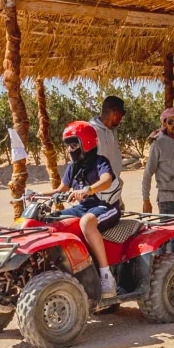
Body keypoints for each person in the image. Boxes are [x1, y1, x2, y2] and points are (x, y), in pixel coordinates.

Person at [58, 121, 121, 298]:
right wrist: (35, 194)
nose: (70, 149)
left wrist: (89, 189)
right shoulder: (73, 167)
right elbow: (60, 190)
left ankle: (106, 275)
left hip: (106, 207)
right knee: (55, 220)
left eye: (74, 144)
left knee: (86, 222)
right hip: (83, 208)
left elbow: (106, 180)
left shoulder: (100, 162)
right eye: (68, 145)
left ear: (86, 143)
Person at [142, 107, 174, 217]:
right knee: (170, 234)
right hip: (167, 201)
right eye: (170, 122)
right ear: (164, 124)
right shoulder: (158, 145)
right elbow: (148, 173)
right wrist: (146, 199)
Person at [90, 96, 126, 180]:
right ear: (116, 113)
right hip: (98, 188)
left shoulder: (113, 130)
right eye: (122, 114)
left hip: (114, 187)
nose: (121, 119)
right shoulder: (91, 130)